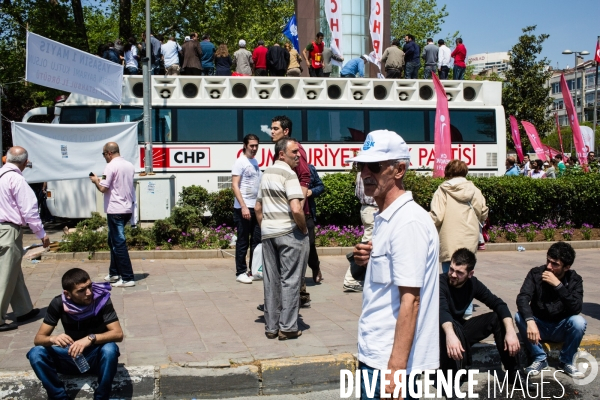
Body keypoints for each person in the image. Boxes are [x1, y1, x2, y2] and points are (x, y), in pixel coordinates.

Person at [351, 130, 439, 399]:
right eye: (360, 165)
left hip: (388, 364)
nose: (365, 172)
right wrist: (369, 260)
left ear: (399, 170)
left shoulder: (407, 222)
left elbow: (411, 301)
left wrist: (395, 371)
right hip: (376, 356)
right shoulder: (388, 217)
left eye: (375, 167)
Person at [27, 268, 123, 400]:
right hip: (71, 356)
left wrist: (91, 338)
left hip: (95, 357)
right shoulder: (58, 303)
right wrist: (53, 339)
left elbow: (118, 334)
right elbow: (38, 339)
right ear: (67, 294)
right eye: (81, 290)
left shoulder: (101, 300)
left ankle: (101, 397)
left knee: (110, 349)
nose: (89, 293)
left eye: (89, 286)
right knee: (36, 353)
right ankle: (59, 397)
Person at [440, 248, 521, 395]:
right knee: (453, 326)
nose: (452, 275)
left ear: (470, 274)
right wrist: (451, 336)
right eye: (451, 269)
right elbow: (442, 312)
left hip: (459, 331)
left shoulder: (473, 284)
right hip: (441, 332)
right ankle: (448, 383)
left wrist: (510, 331)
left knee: (497, 318)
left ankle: (513, 373)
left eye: (459, 273)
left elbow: (498, 304)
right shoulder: (440, 283)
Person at [255, 137, 309, 340]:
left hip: (268, 233)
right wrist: (303, 229)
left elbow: (258, 208)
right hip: (288, 233)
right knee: (291, 280)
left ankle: (271, 327)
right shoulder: (290, 174)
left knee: (271, 281)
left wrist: (266, 227)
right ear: (281, 154)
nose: (298, 155)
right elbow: (296, 208)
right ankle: (287, 327)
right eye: (294, 152)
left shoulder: (266, 173)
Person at [515, 242, 586, 378]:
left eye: (555, 264)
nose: (549, 266)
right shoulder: (536, 273)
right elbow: (523, 298)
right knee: (519, 316)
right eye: (548, 261)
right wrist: (530, 321)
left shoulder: (574, 280)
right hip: (538, 326)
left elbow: (576, 308)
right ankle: (539, 358)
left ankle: (566, 361)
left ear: (566, 267)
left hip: (561, 327)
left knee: (579, 322)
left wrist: (559, 286)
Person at [430, 159, 488, 319]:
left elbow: (436, 217)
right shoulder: (474, 189)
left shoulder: (442, 190)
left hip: (449, 237)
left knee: (451, 274)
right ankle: (467, 312)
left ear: (447, 172)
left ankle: (450, 311)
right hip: (469, 236)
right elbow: (483, 213)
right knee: (466, 274)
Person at [0, 147, 49, 332]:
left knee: (12, 270)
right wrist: (41, 234)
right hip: (7, 229)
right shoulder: (16, 179)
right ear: (24, 162)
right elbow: (29, 210)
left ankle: (24, 309)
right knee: (5, 273)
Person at [270, 116, 313, 308]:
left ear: (286, 131)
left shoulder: (295, 150)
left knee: (292, 262)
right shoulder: (280, 151)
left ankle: (293, 299)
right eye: (272, 128)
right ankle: (294, 297)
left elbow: (305, 174)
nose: (271, 132)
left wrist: (299, 202)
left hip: (292, 214)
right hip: (283, 214)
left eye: (275, 128)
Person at [89, 142, 136, 288]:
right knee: (113, 241)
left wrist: (96, 181)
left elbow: (103, 188)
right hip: (127, 208)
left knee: (119, 244)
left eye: (103, 154)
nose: (104, 157)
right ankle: (114, 272)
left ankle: (127, 277)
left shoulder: (111, 166)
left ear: (109, 153)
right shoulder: (129, 165)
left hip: (115, 209)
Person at [232, 134, 262, 284]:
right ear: (245, 145)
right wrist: (243, 206)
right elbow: (234, 185)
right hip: (243, 208)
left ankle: (253, 270)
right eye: (251, 145)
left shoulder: (255, 161)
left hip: (255, 208)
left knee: (256, 240)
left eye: (256, 145)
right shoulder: (240, 162)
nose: (254, 148)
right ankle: (240, 272)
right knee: (243, 241)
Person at [342, 170, 378, 293]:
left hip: (366, 208)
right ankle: (350, 280)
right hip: (373, 208)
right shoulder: (371, 173)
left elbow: (358, 193)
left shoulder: (361, 172)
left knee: (368, 244)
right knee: (366, 246)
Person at [307, 164, 325, 285]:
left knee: (310, 243)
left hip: (307, 212)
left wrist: (311, 191)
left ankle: (315, 268)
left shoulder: (310, 169)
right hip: (289, 214)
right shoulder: (286, 169)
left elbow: (320, 186)